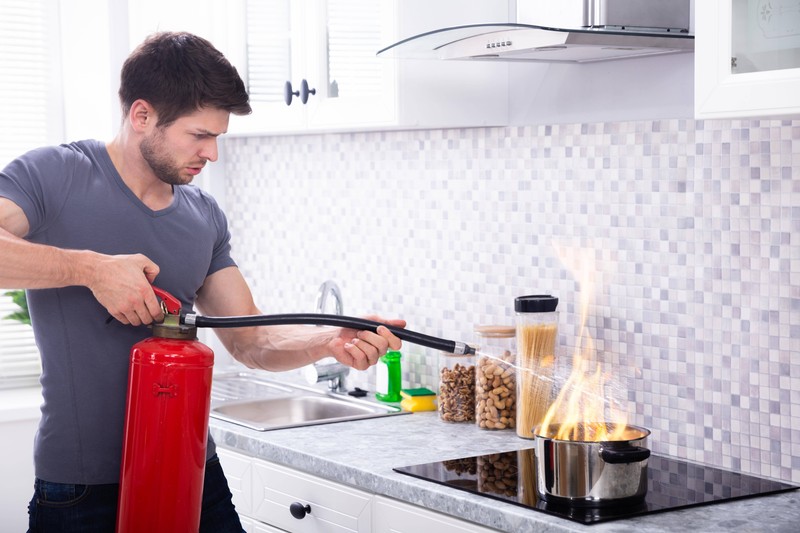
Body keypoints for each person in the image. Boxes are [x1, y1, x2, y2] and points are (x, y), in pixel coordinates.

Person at [0, 31, 405, 532]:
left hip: (193, 474)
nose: (212, 153)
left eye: (218, 136)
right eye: (199, 135)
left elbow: (251, 339)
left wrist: (328, 339)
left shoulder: (203, 215)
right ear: (142, 116)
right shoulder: (55, 175)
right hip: (84, 490)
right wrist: (92, 270)